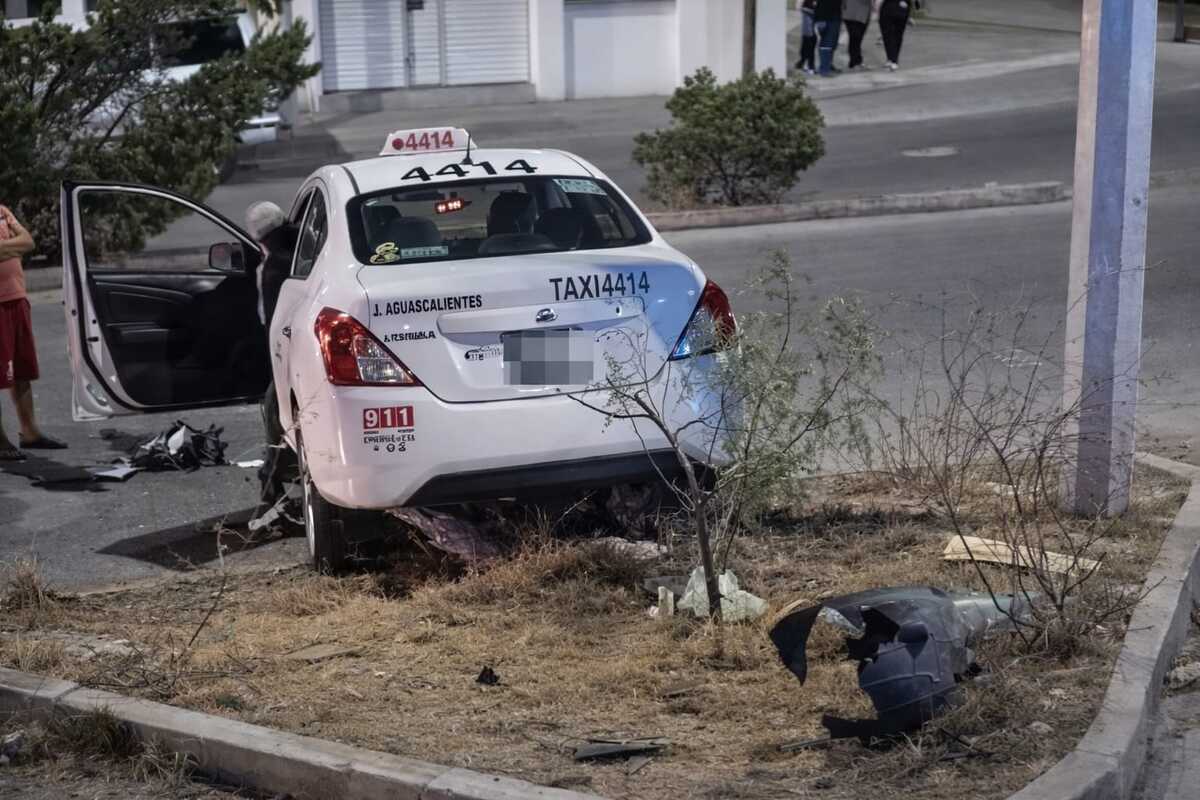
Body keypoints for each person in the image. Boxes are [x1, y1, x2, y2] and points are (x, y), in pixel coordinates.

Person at [244, 201, 299, 520]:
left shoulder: (275, 267)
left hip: (291, 356)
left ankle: (271, 488)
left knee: (274, 415)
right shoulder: (311, 245)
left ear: (261, 240)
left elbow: (274, 325)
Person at [0, 205, 65, 461]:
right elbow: (21, 243)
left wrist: (12, 246)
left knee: (21, 370)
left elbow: (28, 242)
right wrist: (14, 244)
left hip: (17, 296)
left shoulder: (1, 210)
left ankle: (30, 432)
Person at [878, 0, 912, 70]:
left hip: (899, 8)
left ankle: (893, 60)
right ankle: (891, 59)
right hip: (890, 8)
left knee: (895, 36)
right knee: (888, 36)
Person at [813, 0, 843, 77]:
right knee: (826, 43)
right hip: (824, 17)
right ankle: (824, 69)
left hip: (836, 16)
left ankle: (829, 65)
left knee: (833, 43)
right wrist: (820, 19)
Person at [844, 0, 872, 70]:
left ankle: (856, 61)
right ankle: (855, 61)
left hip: (863, 12)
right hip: (851, 12)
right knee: (855, 36)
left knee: (858, 38)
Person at [796, 0, 817, 75]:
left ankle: (802, 62)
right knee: (810, 40)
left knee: (808, 41)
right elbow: (799, 6)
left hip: (815, 17)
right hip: (808, 16)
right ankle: (810, 65)